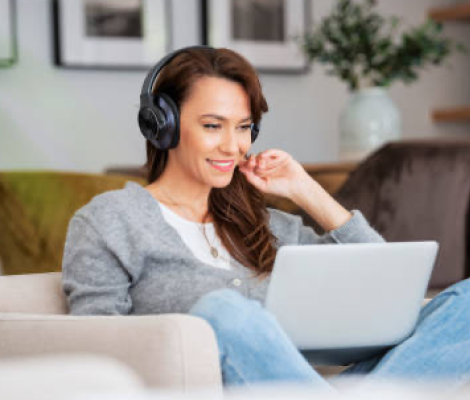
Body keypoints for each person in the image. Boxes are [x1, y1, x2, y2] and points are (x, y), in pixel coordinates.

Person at [62, 46, 470, 392]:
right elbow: (96, 346)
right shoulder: (109, 220)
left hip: (300, 387)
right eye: (211, 126)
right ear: (162, 127)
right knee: (223, 311)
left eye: (243, 128)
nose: (232, 145)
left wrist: (305, 190)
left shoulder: (269, 224)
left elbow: (384, 285)